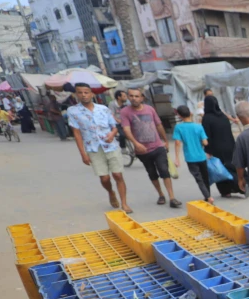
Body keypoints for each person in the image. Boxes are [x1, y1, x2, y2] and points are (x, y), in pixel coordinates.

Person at [66, 82, 132, 213]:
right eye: (80, 92)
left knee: (118, 175)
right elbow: (77, 134)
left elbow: (114, 127)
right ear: (76, 94)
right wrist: (83, 154)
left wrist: (112, 135)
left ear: (91, 94)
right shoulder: (73, 111)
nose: (84, 95)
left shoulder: (103, 109)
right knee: (104, 178)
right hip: (93, 148)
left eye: (86, 92)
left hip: (111, 146)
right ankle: (110, 192)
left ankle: (124, 203)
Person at [121, 87, 181, 208]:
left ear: (142, 98)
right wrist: (136, 144)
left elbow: (158, 125)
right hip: (142, 150)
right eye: (131, 96)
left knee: (164, 171)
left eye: (137, 96)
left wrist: (165, 140)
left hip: (158, 146)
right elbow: (126, 130)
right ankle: (161, 194)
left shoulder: (150, 109)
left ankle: (172, 197)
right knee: (152, 173)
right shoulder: (125, 112)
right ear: (128, 97)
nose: (134, 98)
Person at [201, 95, 241, 198]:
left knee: (220, 169)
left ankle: (226, 191)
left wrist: (208, 150)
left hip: (217, 149)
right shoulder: (223, 116)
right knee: (232, 167)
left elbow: (207, 136)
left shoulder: (207, 118)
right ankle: (241, 185)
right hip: (230, 146)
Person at [172, 105, 213, 204]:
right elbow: (205, 142)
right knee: (205, 177)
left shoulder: (179, 127)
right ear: (190, 113)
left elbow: (177, 143)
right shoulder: (199, 126)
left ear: (179, 116)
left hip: (190, 158)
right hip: (201, 156)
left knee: (199, 179)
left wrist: (177, 158)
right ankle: (208, 195)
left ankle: (208, 197)